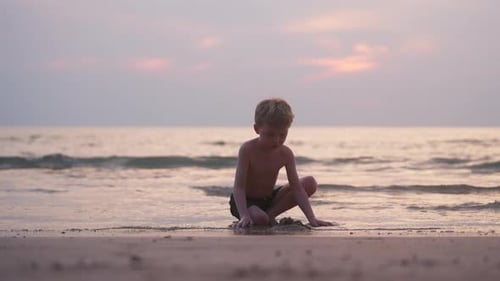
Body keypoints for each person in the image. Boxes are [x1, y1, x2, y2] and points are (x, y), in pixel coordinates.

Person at [229, 98, 334, 228]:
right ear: (257, 129)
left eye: (282, 135)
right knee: (260, 218)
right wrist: (244, 214)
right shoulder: (247, 150)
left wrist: (312, 219)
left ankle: (271, 214)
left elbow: (297, 188)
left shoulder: (286, 154)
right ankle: (257, 216)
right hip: (245, 201)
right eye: (270, 135)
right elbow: (239, 188)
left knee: (309, 183)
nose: (277, 140)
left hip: (269, 199)